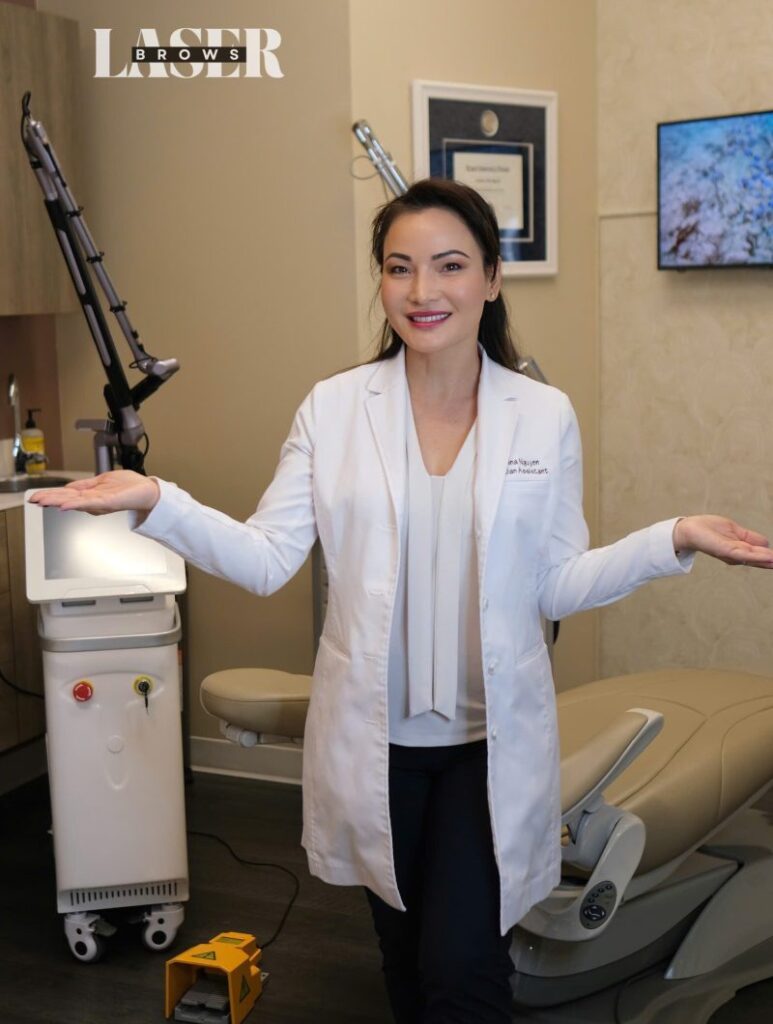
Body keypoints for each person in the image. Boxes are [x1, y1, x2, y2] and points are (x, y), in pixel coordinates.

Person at [32, 179, 773, 1024]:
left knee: (462, 971)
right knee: (406, 959)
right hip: (373, 744)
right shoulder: (335, 409)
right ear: (381, 281)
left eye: (449, 266)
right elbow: (267, 558)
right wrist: (157, 500)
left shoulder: (541, 415)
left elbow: (556, 583)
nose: (423, 291)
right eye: (399, 267)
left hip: (486, 749)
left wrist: (671, 538)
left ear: (491, 278)